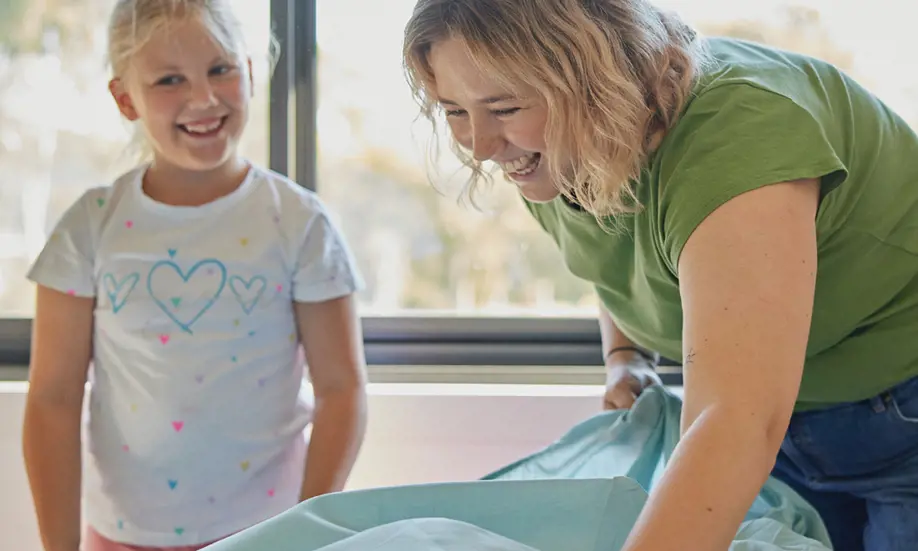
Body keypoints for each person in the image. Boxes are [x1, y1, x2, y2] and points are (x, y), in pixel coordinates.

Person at [402, 1, 918, 550]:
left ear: (594, 81)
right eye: (454, 110)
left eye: (503, 108)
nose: (479, 145)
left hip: (900, 415)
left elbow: (736, 420)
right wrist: (625, 355)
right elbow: (619, 253)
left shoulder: (737, 138)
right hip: (784, 441)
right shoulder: (553, 152)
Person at [21, 1, 368, 550]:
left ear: (249, 72)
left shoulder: (299, 223)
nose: (203, 98)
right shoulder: (89, 227)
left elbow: (341, 390)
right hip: (123, 535)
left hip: (268, 533)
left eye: (220, 69)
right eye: (169, 80)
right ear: (125, 99)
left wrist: (304, 532)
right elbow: (52, 401)